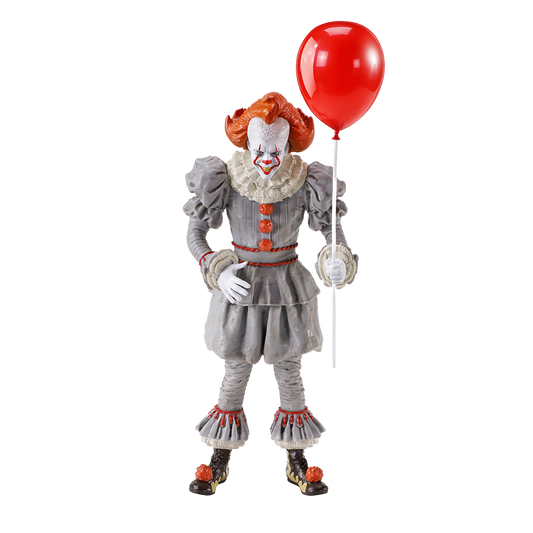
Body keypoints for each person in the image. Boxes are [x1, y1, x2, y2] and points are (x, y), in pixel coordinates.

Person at [181, 90, 359, 498]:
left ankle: (296, 455)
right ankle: (219, 452)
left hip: (286, 288)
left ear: (289, 145)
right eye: (259, 148)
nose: (266, 158)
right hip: (240, 288)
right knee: (234, 370)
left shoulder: (305, 179)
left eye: (275, 149)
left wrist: (335, 257)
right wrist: (216, 268)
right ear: (245, 142)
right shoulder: (226, 176)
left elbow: (331, 229)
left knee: (289, 371)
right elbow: (195, 233)